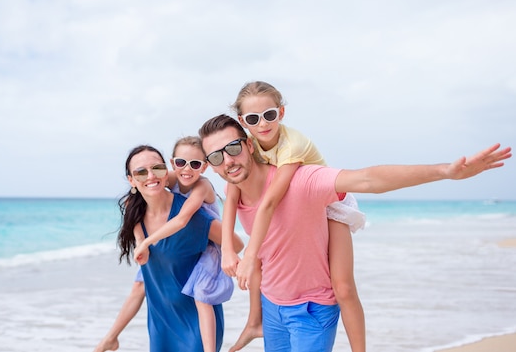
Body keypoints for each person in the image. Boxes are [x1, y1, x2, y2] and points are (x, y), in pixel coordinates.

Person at [198, 114, 510, 352]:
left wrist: (444, 171)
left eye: (233, 148)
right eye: (216, 157)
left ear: (249, 144)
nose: (227, 160)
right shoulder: (232, 190)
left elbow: (369, 180)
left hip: (311, 310)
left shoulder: (302, 181)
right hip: (272, 307)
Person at [220, 81, 366, 352]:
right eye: (253, 118)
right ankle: (255, 322)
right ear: (243, 122)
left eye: (270, 115)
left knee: (343, 287)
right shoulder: (247, 145)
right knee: (267, 261)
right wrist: (227, 249)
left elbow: (271, 200)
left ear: (281, 113)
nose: (263, 124)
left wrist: (249, 255)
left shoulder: (293, 144)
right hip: (295, 209)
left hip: (331, 205)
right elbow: (232, 192)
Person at [107, 144, 243, 352]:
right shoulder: (134, 214)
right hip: (161, 322)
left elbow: (235, 243)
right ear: (131, 180)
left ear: (165, 170)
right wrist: (110, 337)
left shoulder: (194, 216)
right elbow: (141, 286)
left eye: (157, 168)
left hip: (197, 325)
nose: (151, 176)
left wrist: (223, 256)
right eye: (141, 172)